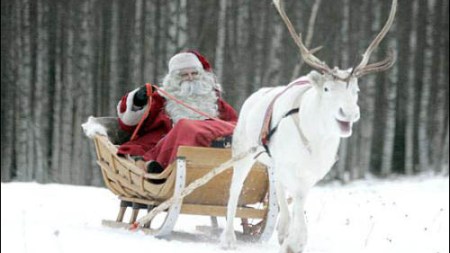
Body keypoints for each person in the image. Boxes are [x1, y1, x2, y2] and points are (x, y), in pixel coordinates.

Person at [116, 50, 237, 181]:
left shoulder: (214, 100)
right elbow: (129, 123)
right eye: (184, 75)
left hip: (209, 150)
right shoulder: (161, 98)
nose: (191, 78)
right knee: (185, 127)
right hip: (166, 146)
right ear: (173, 79)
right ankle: (160, 167)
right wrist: (138, 101)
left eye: (194, 73)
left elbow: (234, 124)